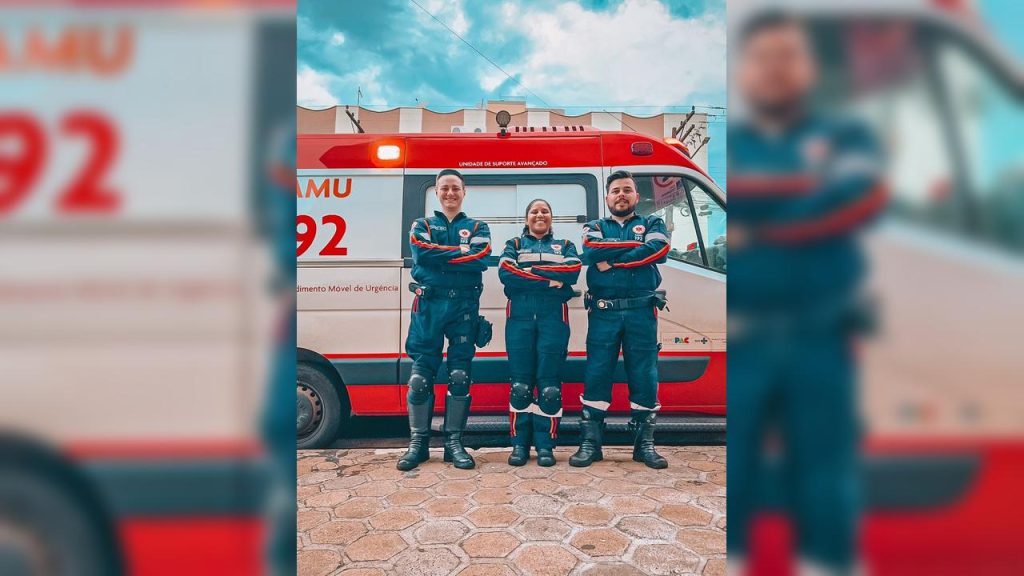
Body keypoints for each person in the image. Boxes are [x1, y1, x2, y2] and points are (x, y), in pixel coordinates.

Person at [727, 12, 886, 575]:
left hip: (820, 335)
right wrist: (797, 201)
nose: (775, 69)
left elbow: (855, 200)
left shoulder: (847, 136)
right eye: (762, 57)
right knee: (736, 480)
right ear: (744, 71)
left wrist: (757, 228)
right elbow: (815, 204)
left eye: (787, 56)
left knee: (825, 478)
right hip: (741, 341)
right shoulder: (732, 144)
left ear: (809, 68)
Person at [570, 170, 670, 469]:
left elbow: (659, 249)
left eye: (627, 190)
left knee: (644, 375)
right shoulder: (595, 226)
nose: (622, 195)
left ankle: (644, 445)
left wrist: (611, 260)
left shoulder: (652, 222)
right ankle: (590, 444)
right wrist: (637, 252)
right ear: (607, 197)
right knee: (597, 372)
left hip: (642, 311)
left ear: (636, 197)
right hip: (604, 313)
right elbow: (590, 250)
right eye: (616, 191)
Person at [397, 169, 491, 471]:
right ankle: (418, 443)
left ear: (464, 192)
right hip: (429, 305)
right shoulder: (421, 224)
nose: (450, 193)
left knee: (460, 376)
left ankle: (454, 444)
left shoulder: (479, 225)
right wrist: (462, 251)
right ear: (436, 192)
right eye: (444, 188)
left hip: (464, 306)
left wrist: (448, 254)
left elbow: (481, 258)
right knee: (420, 377)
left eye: (455, 188)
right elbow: (421, 254)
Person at [498, 199, 581, 467]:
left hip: (553, 317)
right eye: (534, 211)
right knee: (520, 385)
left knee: (549, 387)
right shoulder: (515, 245)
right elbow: (506, 273)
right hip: (519, 316)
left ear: (551, 218)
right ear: (526, 219)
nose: (539, 215)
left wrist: (530, 272)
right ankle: (519, 445)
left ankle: (546, 445)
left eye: (545, 210)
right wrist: (548, 281)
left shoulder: (566, 246)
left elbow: (572, 271)